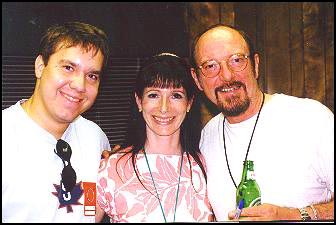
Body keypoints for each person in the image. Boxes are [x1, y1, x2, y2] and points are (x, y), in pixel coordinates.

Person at [190, 24, 334, 221]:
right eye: (210, 66)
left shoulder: (311, 118)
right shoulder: (207, 136)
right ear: (197, 80)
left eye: (237, 60)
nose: (226, 76)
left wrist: (291, 215)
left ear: (256, 65)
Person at [2, 21, 111, 222]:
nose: (80, 85)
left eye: (92, 75)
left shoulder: (95, 138)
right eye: (68, 67)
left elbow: (88, 209)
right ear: (40, 66)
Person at [96, 53, 214, 222]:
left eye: (176, 95)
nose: (164, 108)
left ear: (189, 103)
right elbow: (81, 216)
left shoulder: (207, 167)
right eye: (153, 95)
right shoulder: (110, 168)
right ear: (138, 101)